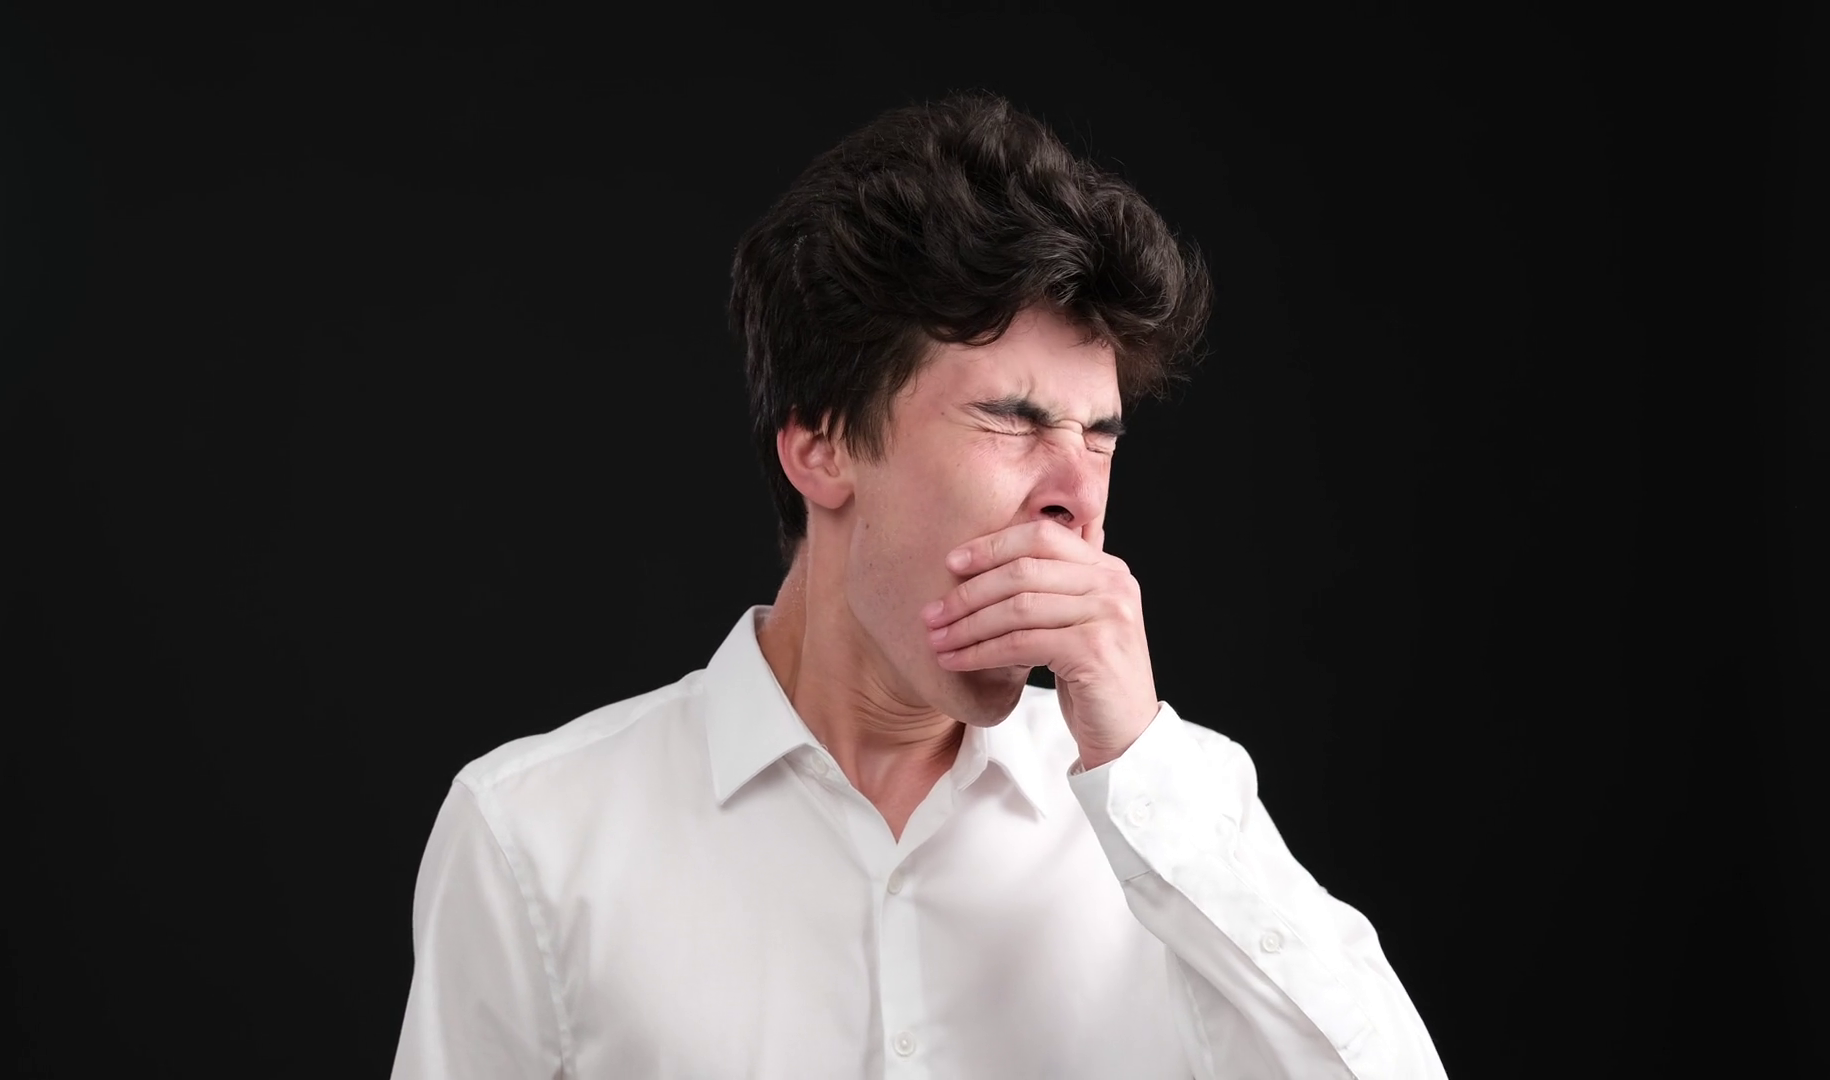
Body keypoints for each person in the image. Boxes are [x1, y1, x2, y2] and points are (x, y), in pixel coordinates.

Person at [390, 91, 1447, 1079]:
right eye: (1010, 419)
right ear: (821, 448)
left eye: (1100, 436)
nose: (1078, 496)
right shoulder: (531, 833)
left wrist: (1145, 772)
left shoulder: (1176, 822)